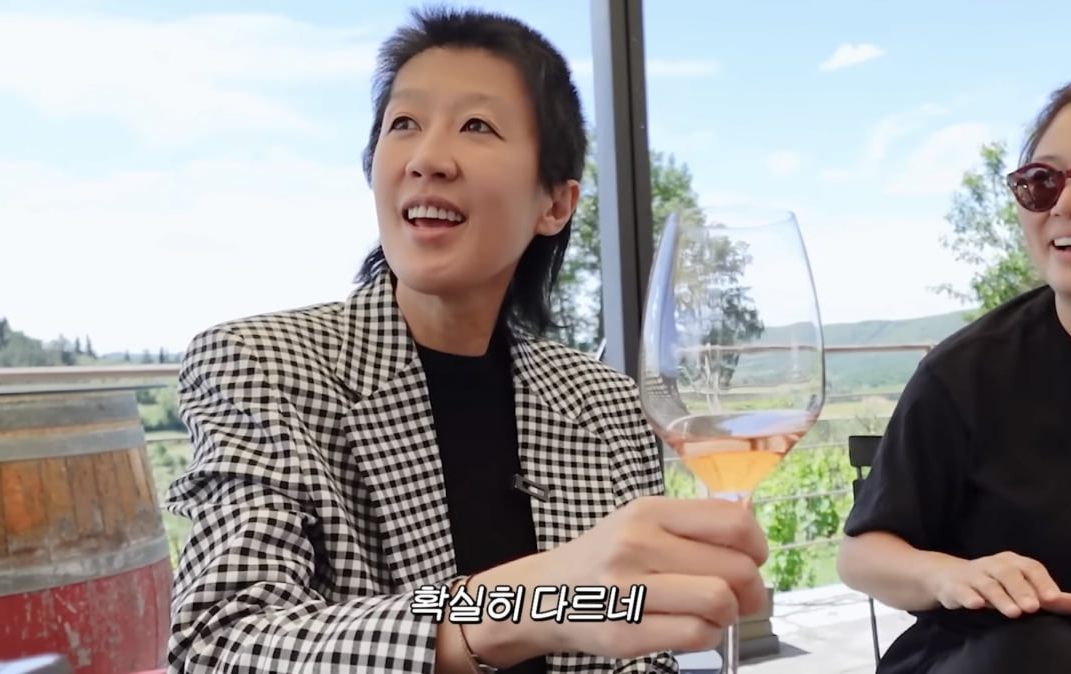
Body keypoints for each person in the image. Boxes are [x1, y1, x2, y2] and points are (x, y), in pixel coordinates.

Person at [163, 6, 770, 673]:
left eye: (477, 125)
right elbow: (220, 642)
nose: (427, 159)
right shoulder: (261, 367)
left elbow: (637, 651)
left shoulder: (606, 404)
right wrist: (523, 603)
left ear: (555, 204)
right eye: (404, 124)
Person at [837, 66, 1071, 674]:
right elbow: (862, 554)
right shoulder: (967, 374)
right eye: (1040, 183)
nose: (1067, 203)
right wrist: (949, 574)